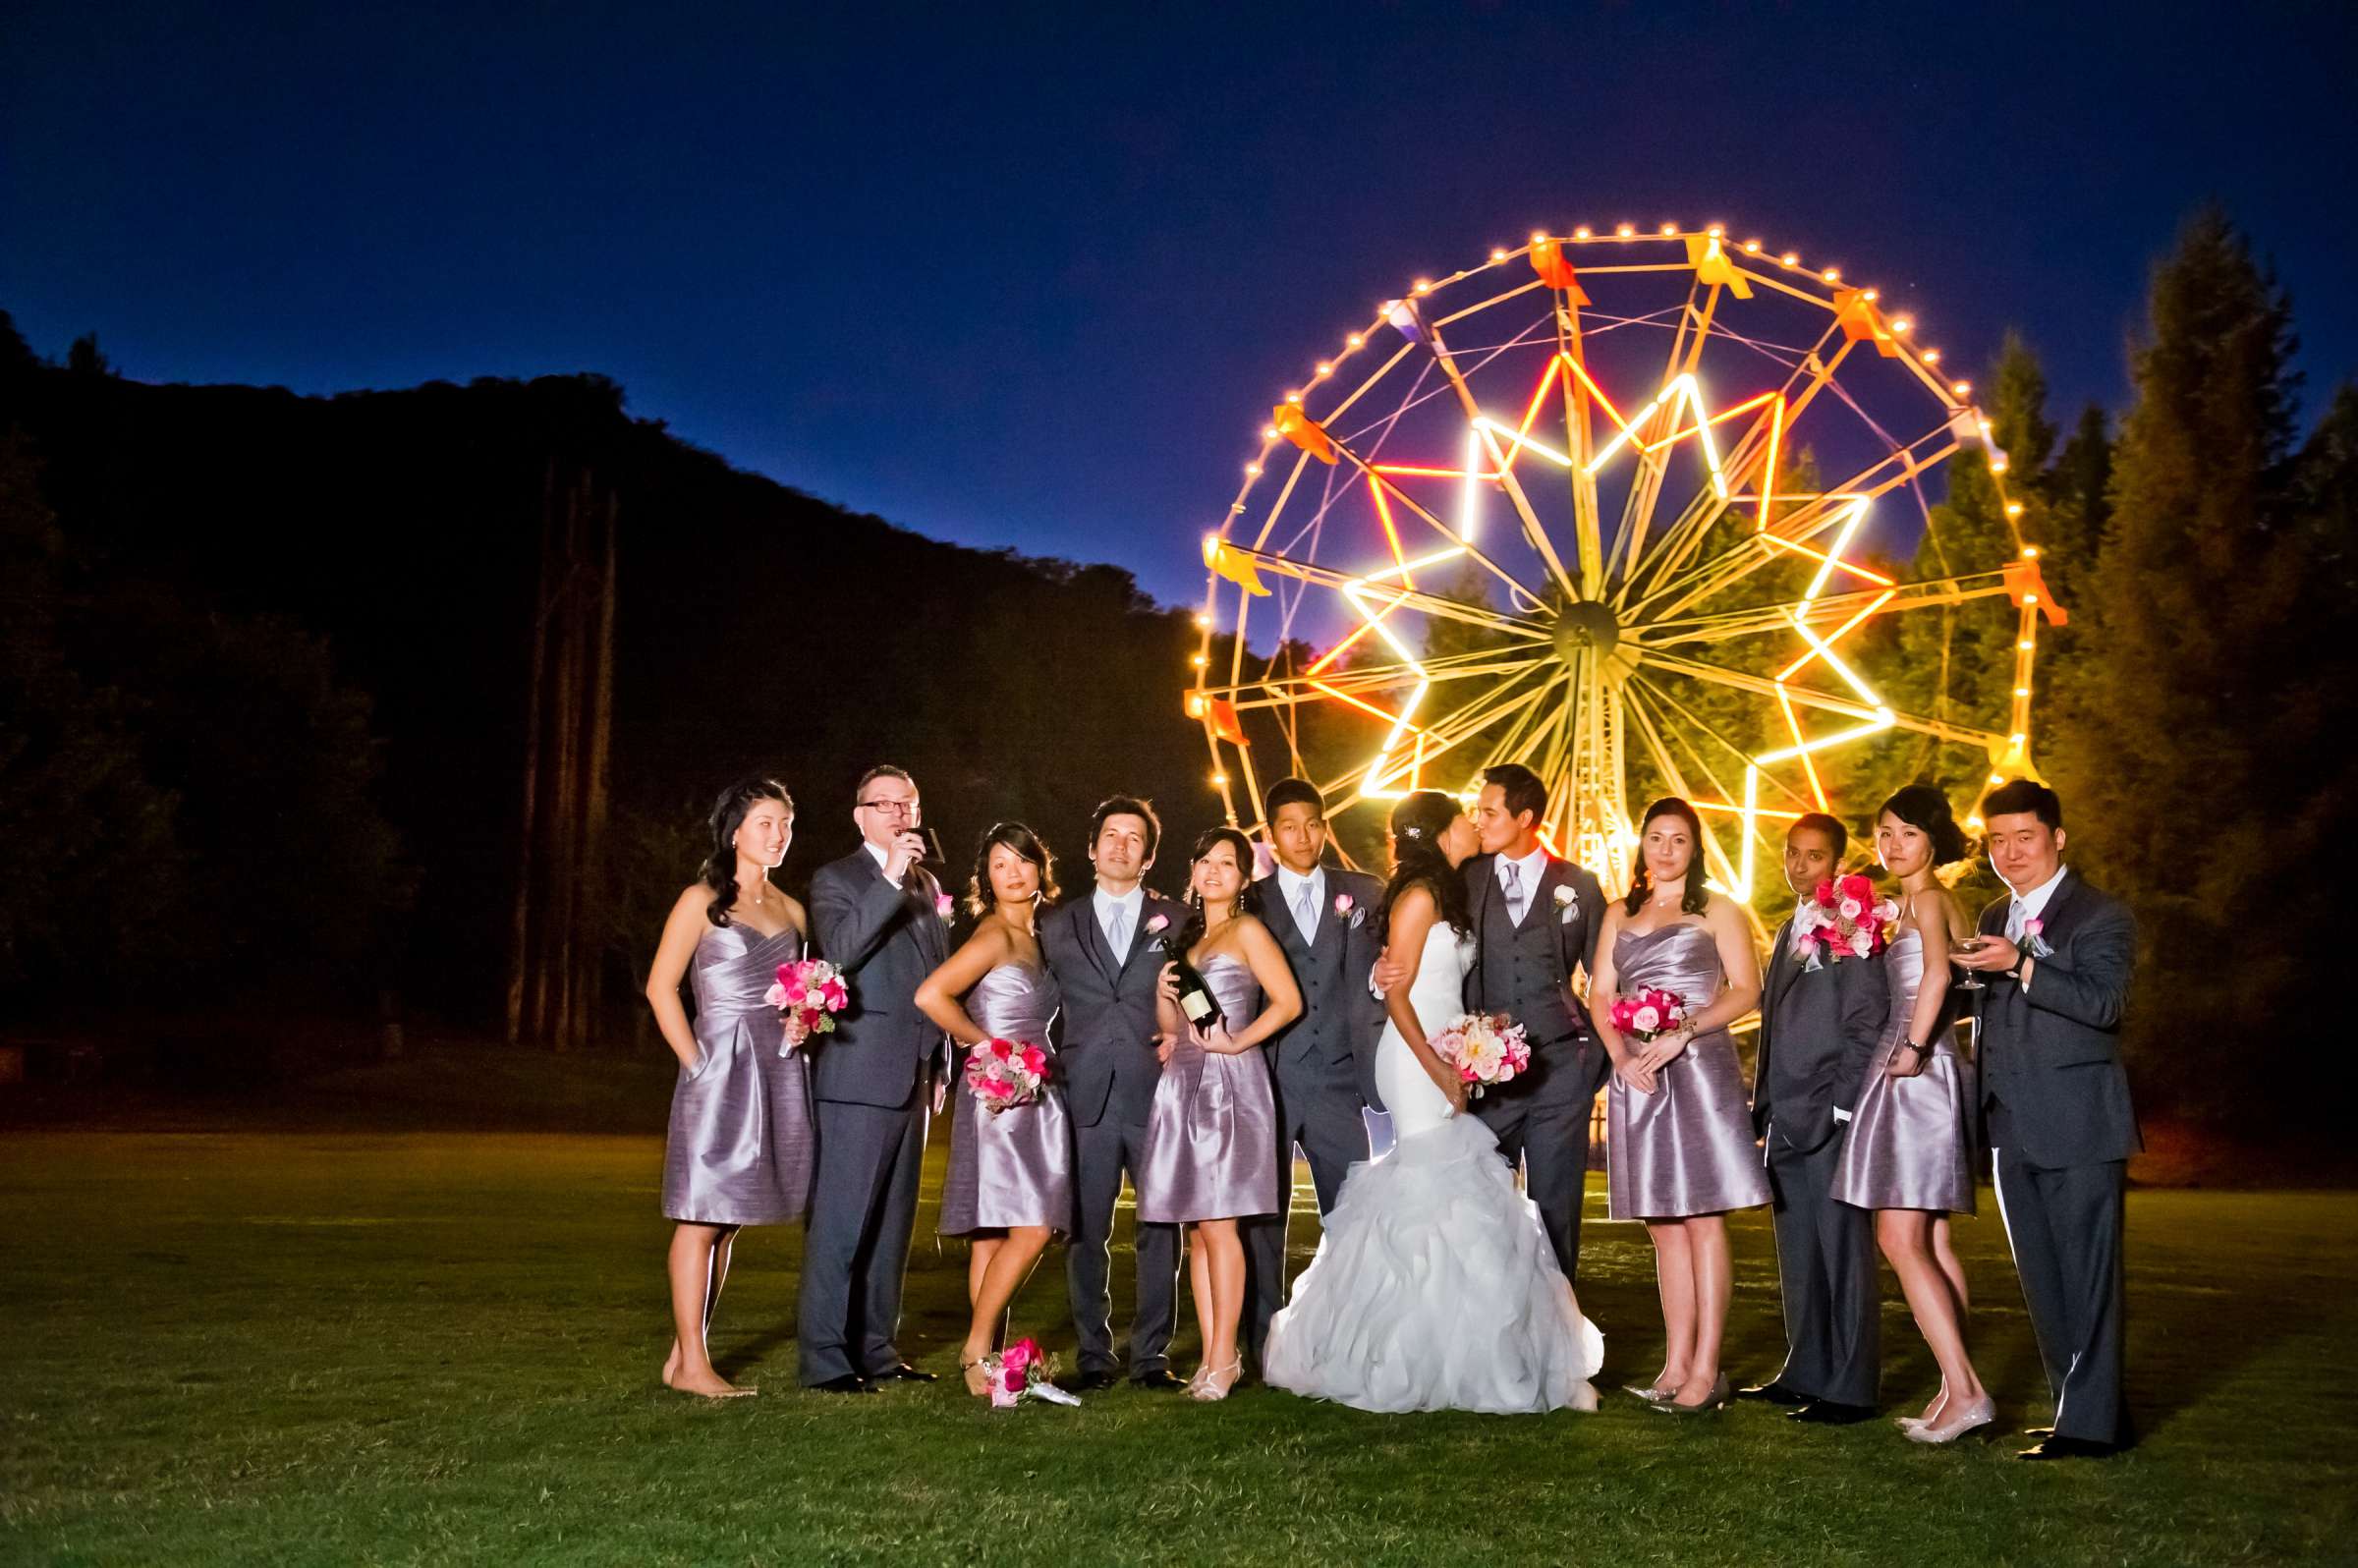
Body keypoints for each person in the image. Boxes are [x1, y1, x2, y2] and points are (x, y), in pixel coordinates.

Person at [1263, 790, 1602, 1415]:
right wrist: (1439, 1068)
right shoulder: (1419, 896)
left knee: (1456, 1195)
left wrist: (1473, 1050)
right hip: (1417, 1055)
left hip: (1448, 1049)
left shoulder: (1452, 887)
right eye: (1464, 819)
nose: (1475, 825)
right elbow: (1397, 995)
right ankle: (1402, 1351)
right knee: (1436, 1189)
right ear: (1442, 830)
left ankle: (1464, 1348)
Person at [1956, 778, 2139, 1460]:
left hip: (2079, 1120)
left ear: (2057, 838)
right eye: (1997, 840)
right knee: (2041, 1277)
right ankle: (2078, 1410)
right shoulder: (1992, 910)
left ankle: (2092, 1427)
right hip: (2009, 1121)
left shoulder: (2101, 915)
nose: (2010, 852)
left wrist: (2024, 965)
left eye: (2023, 837)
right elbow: (1986, 1012)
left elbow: (2103, 1004)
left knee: (2089, 1277)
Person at [1592, 797, 1769, 1415]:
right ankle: (1674, 1364)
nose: (1666, 851)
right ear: (1642, 844)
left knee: (1703, 1217)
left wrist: (1684, 1031)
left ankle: (1707, 1369)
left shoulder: (1719, 909)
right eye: (1657, 839)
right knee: (1662, 1223)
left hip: (1695, 1067)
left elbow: (1747, 989)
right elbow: (1599, 994)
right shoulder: (1619, 911)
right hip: (1637, 1073)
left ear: (1696, 848)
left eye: (1680, 840)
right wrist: (1620, 1058)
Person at [643, 777, 814, 1398]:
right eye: (765, 823)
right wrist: (696, 1063)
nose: (778, 836)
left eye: (785, 825)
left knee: (728, 1219)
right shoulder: (702, 899)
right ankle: (693, 1363)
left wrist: (804, 1019)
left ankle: (683, 1356)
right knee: (700, 1216)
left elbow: (800, 993)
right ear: (735, 831)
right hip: (719, 1068)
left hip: (775, 1068)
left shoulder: (793, 911)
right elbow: (661, 988)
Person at [1832, 785, 1991, 1442]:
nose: (1891, 846)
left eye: (1906, 834)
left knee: (1899, 1238)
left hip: (1914, 1064)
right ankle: (1955, 1386)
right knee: (1929, 1239)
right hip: (1929, 1064)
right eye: (1884, 833)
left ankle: (1967, 1390)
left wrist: (1915, 1048)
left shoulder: (1927, 899)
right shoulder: (1934, 901)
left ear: (1932, 840)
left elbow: (1934, 978)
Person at [797, 765, 949, 1393]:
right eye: (881, 804)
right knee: (841, 1224)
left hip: (913, 1075)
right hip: (856, 1075)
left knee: (892, 1225)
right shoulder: (838, 878)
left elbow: (935, 978)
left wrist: (941, 1062)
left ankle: (880, 1350)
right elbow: (839, 952)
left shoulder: (926, 883)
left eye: (905, 804)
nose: (896, 814)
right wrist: (887, 876)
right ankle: (826, 1360)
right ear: (858, 815)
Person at [1140, 827, 1301, 1400]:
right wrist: (1163, 988)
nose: (1212, 871)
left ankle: (1224, 1361)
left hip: (1230, 1083)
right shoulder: (1185, 942)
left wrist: (1239, 1043)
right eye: (1204, 860)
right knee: (1197, 1231)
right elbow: (1170, 1024)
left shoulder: (1249, 930)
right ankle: (1215, 1360)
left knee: (1220, 1222)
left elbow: (1288, 1001)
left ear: (1243, 877)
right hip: (1184, 1077)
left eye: (1226, 864)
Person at [915, 822, 1073, 1400]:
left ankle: (982, 1371)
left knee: (992, 1231)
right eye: (1001, 864)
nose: (1014, 872)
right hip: (1005, 1094)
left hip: (1035, 1089)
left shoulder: (1034, 936)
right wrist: (988, 1049)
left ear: (1040, 870)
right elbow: (931, 995)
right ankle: (977, 1348)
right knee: (1033, 1226)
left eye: (1023, 862)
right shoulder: (994, 936)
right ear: (986, 875)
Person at [1740, 812, 1888, 1425]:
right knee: (1798, 1252)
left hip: (1829, 1110)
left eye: (1815, 857)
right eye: (1792, 854)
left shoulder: (1853, 926)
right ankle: (1805, 1368)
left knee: (1844, 1251)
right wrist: (1764, 1102)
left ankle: (1852, 1386)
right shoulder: (1785, 929)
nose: (1801, 866)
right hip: (1784, 1112)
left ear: (1838, 863)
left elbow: (1865, 1020)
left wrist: (1842, 1103)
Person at [1038, 795, 1189, 1390]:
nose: (1120, 845)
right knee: (1085, 1231)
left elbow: (1195, 990)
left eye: (1133, 838)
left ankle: (1152, 1356)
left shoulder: (1177, 920)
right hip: (1084, 1093)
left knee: (1160, 1227)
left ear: (1148, 856)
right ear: (1092, 847)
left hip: (1157, 1093)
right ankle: (1094, 1356)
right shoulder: (1055, 923)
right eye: (1111, 835)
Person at [1241, 778, 1384, 1367]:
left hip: (1341, 1078)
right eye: (1288, 827)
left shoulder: (1367, 893)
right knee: (1261, 1218)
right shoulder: (1249, 900)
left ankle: (1356, 1336)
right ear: (1271, 837)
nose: (1302, 836)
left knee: (1352, 1213)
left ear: (1326, 827)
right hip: (1268, 1078)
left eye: (1312, 824)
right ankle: (1260, 1343)